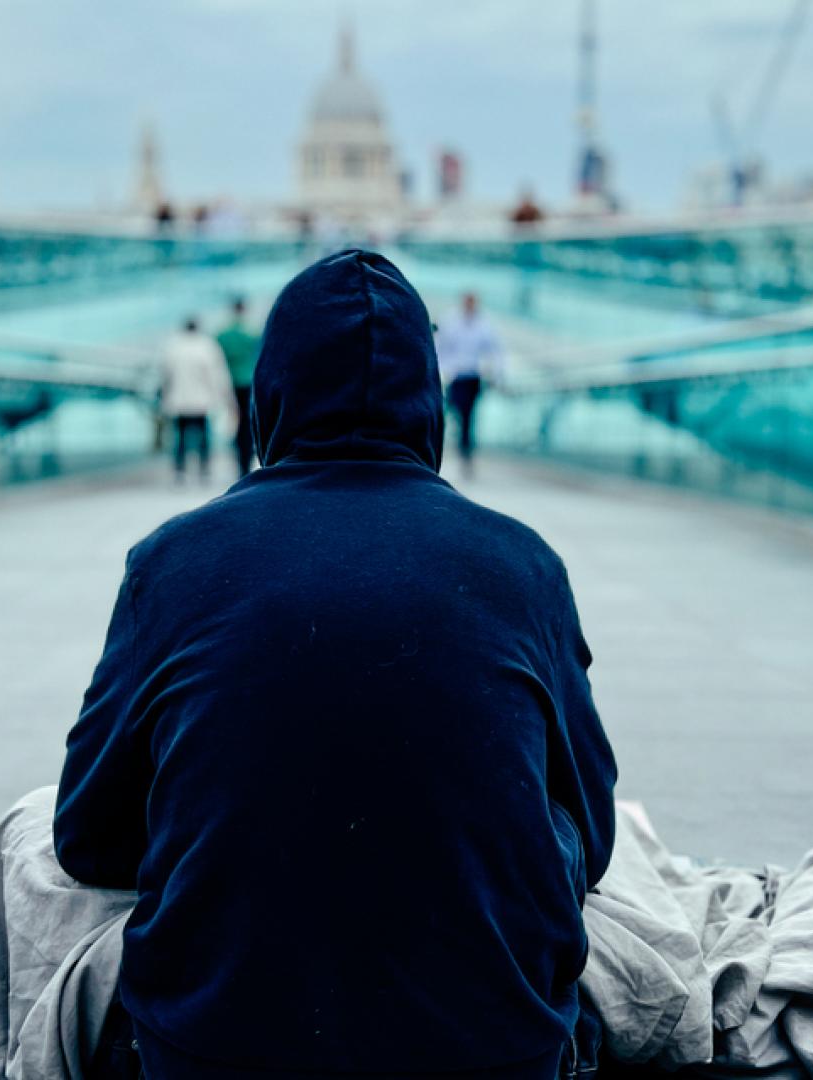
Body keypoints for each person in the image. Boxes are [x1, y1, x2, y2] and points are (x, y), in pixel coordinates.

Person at [55, 250, 617, 1080]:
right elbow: (593, 837)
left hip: (213, 1054)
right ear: (430, 398)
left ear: (270, 394)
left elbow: (83, 835)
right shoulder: (524, 565)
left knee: (26, 835)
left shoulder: (172, 563)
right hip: (494, 1055)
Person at [435, 291, 502, 472]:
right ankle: (439, 447)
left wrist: (496, 374)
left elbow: (495, 351)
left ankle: (465, 453)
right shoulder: (450, 321)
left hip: (472, 376)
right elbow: (439, 347)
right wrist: (442, 370)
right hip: (454, 376)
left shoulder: (484, 323)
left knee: (468, 417)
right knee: (447, 412)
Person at [158, 317, 229, 484]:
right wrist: (220, 397)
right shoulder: (207, 346)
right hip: (202, 401)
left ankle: (180, 470)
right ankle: (204, 469)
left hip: (179, 400)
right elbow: (216, 375)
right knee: (203, 436)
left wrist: (165, 397)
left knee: (180, 436)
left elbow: (165, 375)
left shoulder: (173, 347)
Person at [214, 296, 260, 476]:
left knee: (234, 423)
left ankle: (238, 461)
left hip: (229, 383)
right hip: (249, 383)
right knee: (248, 425)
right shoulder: (253, 333)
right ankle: (246, 462)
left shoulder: (222, 335)